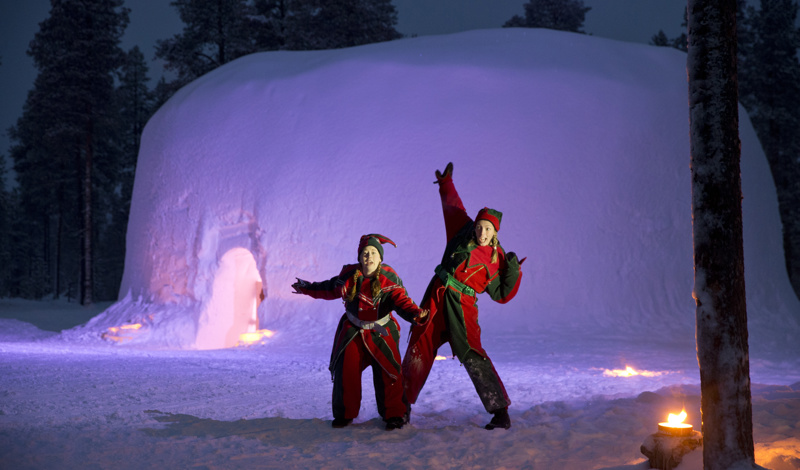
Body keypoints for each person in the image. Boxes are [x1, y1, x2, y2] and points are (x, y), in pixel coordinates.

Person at [401, 162, 525, 430]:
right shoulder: (462, 230)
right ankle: (400, 407)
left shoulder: (496, 258)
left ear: (495, 232)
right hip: (437, 295)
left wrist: (513, 271)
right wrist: (446, 183)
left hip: (463, 306)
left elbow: (502, 295)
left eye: (487, 229)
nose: (481, 233)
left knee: (472, 353)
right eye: (479, 227)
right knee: (419, 344)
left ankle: (500, 411)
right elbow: (453, 207)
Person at [292, 234, 428, 431]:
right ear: (359, 258)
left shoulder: (389, 279)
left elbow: (402, 301)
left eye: (373, 253)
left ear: (380, 258)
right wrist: (307, 288)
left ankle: (395, 414)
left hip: (381, 331)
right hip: (353, 330)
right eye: (365, 253)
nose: (369, 257)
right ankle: (345, 414)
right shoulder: (349, 276)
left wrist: (416, 314)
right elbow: (328, 288)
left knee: (388, 372)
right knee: (346, 370)